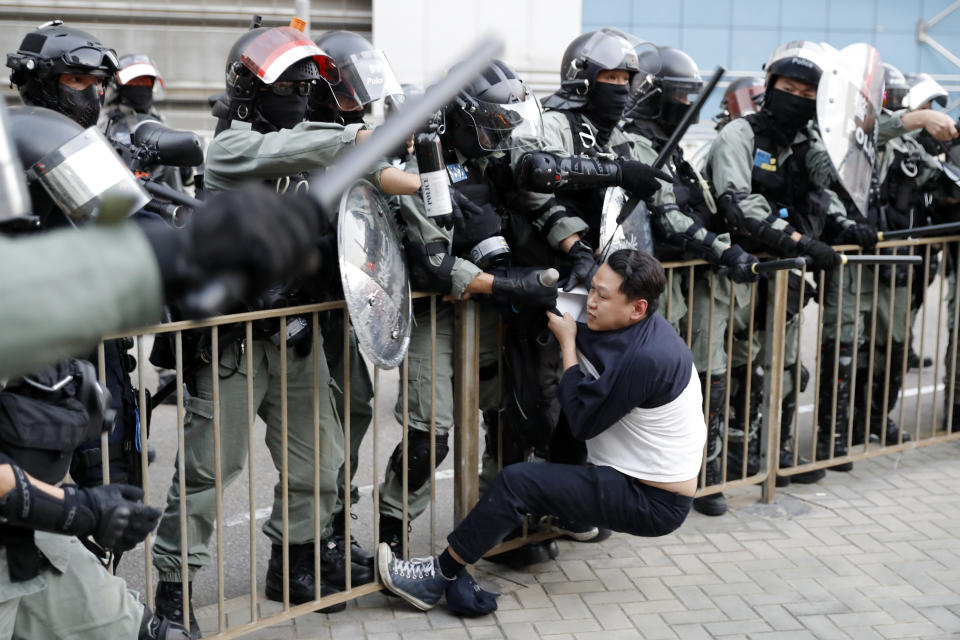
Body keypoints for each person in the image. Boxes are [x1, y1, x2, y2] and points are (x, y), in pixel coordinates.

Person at [150, 18, 421, 630]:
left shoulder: (308, 141)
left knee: (318, 460)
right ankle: (173, 590)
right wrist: (366, 135)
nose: (300, 96)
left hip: (296, 338)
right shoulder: (233, 146)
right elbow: (310, 150)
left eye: (307, 84)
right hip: (233, 342)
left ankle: (295, 566)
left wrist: (427, 175)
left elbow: (371, 176)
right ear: (249, 89)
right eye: (287, 86)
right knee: (206, 472)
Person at [376, 249, 703, 614]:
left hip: (653, 500)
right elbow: (551, 299)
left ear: (638, 308)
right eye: (592, 289)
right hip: (633, 476)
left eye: (602, 296)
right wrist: (479, 286)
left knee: (518, 482)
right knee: (555, 435)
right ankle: (570, 516)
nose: (590, 302)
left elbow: (581, 420)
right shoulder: (626, 324)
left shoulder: (648, 357)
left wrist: (567, 344)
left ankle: (436, 577)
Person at [377, 59, 559, 556]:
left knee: (505, 423)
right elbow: (433, 262)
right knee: (428, 440)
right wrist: (505, 285)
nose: (500, 134)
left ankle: (498, 527)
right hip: (438, 317)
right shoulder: (421, 166)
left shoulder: (494, 163)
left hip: (489, 316)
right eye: (491, 123)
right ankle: (391, 534)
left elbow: (540, 207)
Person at [707, 40, 876, 481]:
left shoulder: (807, 142)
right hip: (745, 274)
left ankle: (773, 456)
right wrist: (800, 243)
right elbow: (738, 205)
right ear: (770, 85)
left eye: (808, 93)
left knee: (781, 366)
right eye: (790, 87)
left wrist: (844, 226)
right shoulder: (739, 135)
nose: (797, 98)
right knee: (739, 366)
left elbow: (834, 177)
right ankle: (728, 462)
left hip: (789, 280)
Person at [620, 45, 760, 516]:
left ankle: (706, 473)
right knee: (662, 389)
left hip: (691, 286)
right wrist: (723, 251)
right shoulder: (636, 144)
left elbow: (706, 211)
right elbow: (668, 219)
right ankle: (658, 479)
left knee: (707, 377)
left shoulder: (675, 150)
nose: (685, 104)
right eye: (677, 95)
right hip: (654, 287)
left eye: (689, 96)